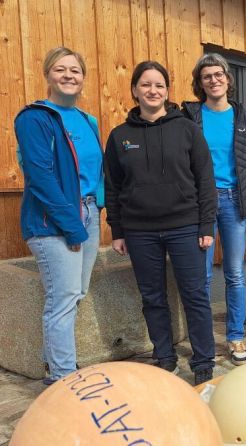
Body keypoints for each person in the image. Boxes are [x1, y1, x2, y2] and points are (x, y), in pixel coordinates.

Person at [105, 60, 217, 385]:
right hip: (140, 231)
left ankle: (203, 361)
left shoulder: (187, 130)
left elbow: (205, 180)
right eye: (146, 84)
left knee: (195, 295)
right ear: (134, 90)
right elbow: (112, 186)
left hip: (185, 226)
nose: (152, 90)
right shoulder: (120, 136)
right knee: (153, 298)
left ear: (167, 91)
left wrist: (206, 226)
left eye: (159, 85)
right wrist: (117, 230)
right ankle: (165, 357)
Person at [15, 47, 104, 385]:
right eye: (60, 69)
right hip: (53, 221)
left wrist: (98, 209)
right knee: (63, 299)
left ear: (83, 78)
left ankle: (55, 364)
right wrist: (72, 226)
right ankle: (63, 379)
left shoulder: (87, 120)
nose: (68, 75)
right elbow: (40, 176)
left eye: (75, 70)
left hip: (89, 212)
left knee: (75, 294)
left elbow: (97, 171)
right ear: (47, 75)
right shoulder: (34, 117)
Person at [181, 53, 246, 366]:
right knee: (201, 276)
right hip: (201, 203)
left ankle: (235, 335)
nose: (214, 80)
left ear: (228, 79)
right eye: (207, 76)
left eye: (219, 74)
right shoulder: (189, 116)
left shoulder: (242, 118)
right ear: (200, 83)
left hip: (235, 202)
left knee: (235, 274)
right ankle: (203, 340)